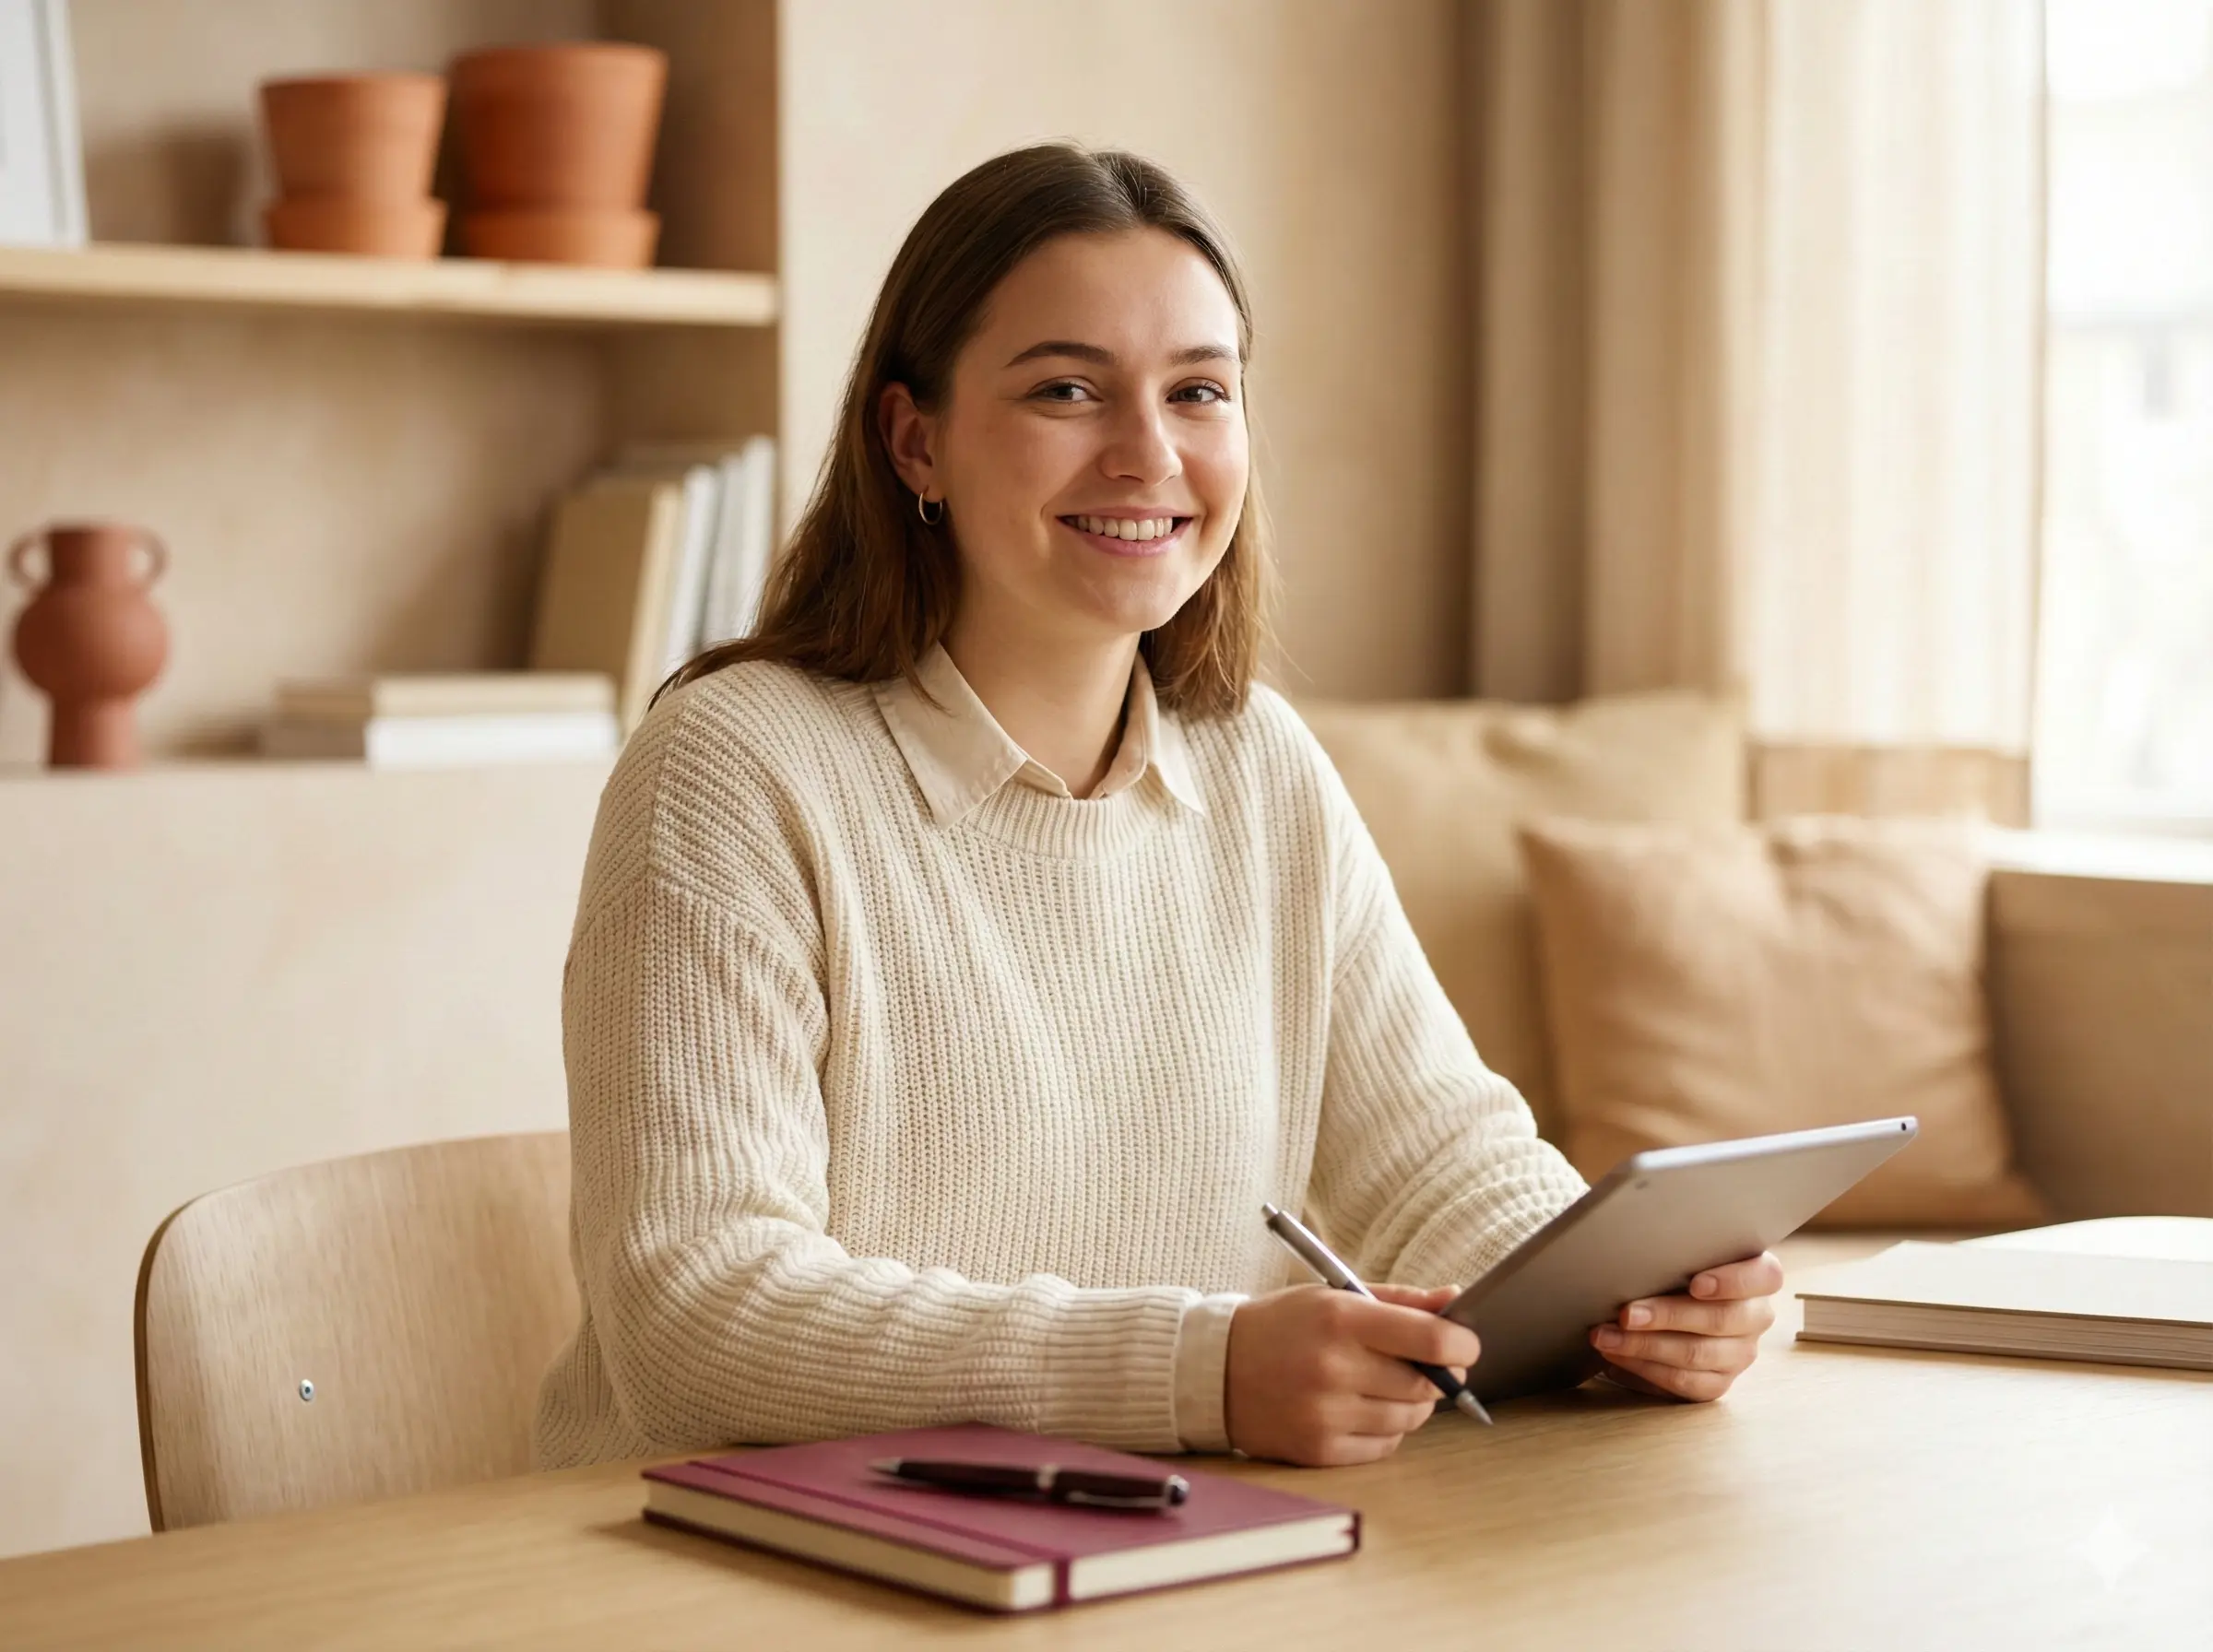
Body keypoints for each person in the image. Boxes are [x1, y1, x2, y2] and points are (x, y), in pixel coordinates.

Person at [533, 142, 1782, 1472]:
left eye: (1199, 391)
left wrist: (1638, 1308)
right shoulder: (730, 768)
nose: (1148, 455)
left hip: (1152, 1547)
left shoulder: (1258, 763)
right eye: (1067, 389)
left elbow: (1441, 1164)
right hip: (734, 1572)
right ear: (916, 438)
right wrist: (1200, 1370)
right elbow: (694, 1316)